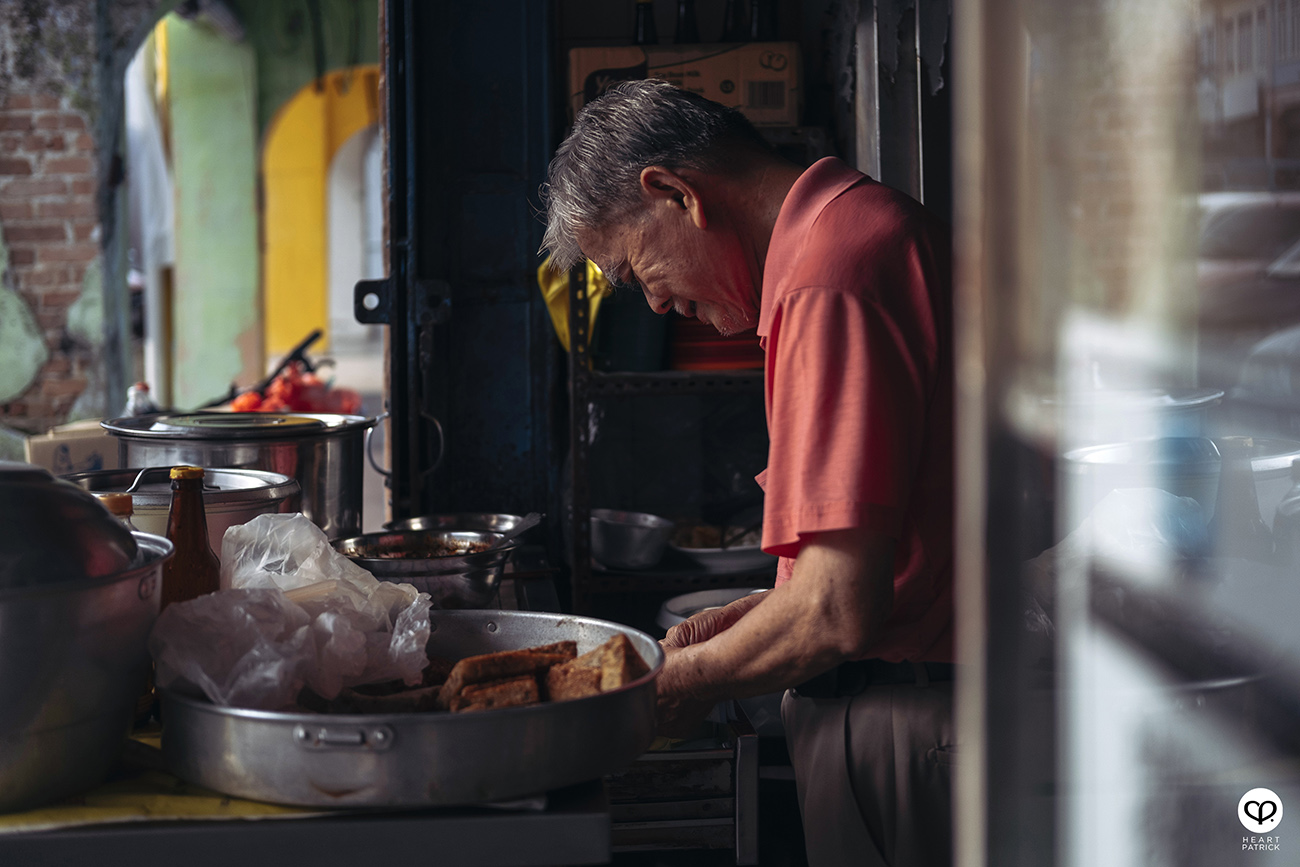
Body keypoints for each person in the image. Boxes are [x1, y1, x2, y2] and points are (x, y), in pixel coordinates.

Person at [541, 79, 954, 867]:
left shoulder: (829, 280)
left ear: (673, 194)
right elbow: (878, 566)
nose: (654, 308)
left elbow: (837, 611)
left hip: (913, 722)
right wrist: (713, 637)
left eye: (634, 271)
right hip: (913, 706)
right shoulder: (850, 237)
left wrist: (669, 688)